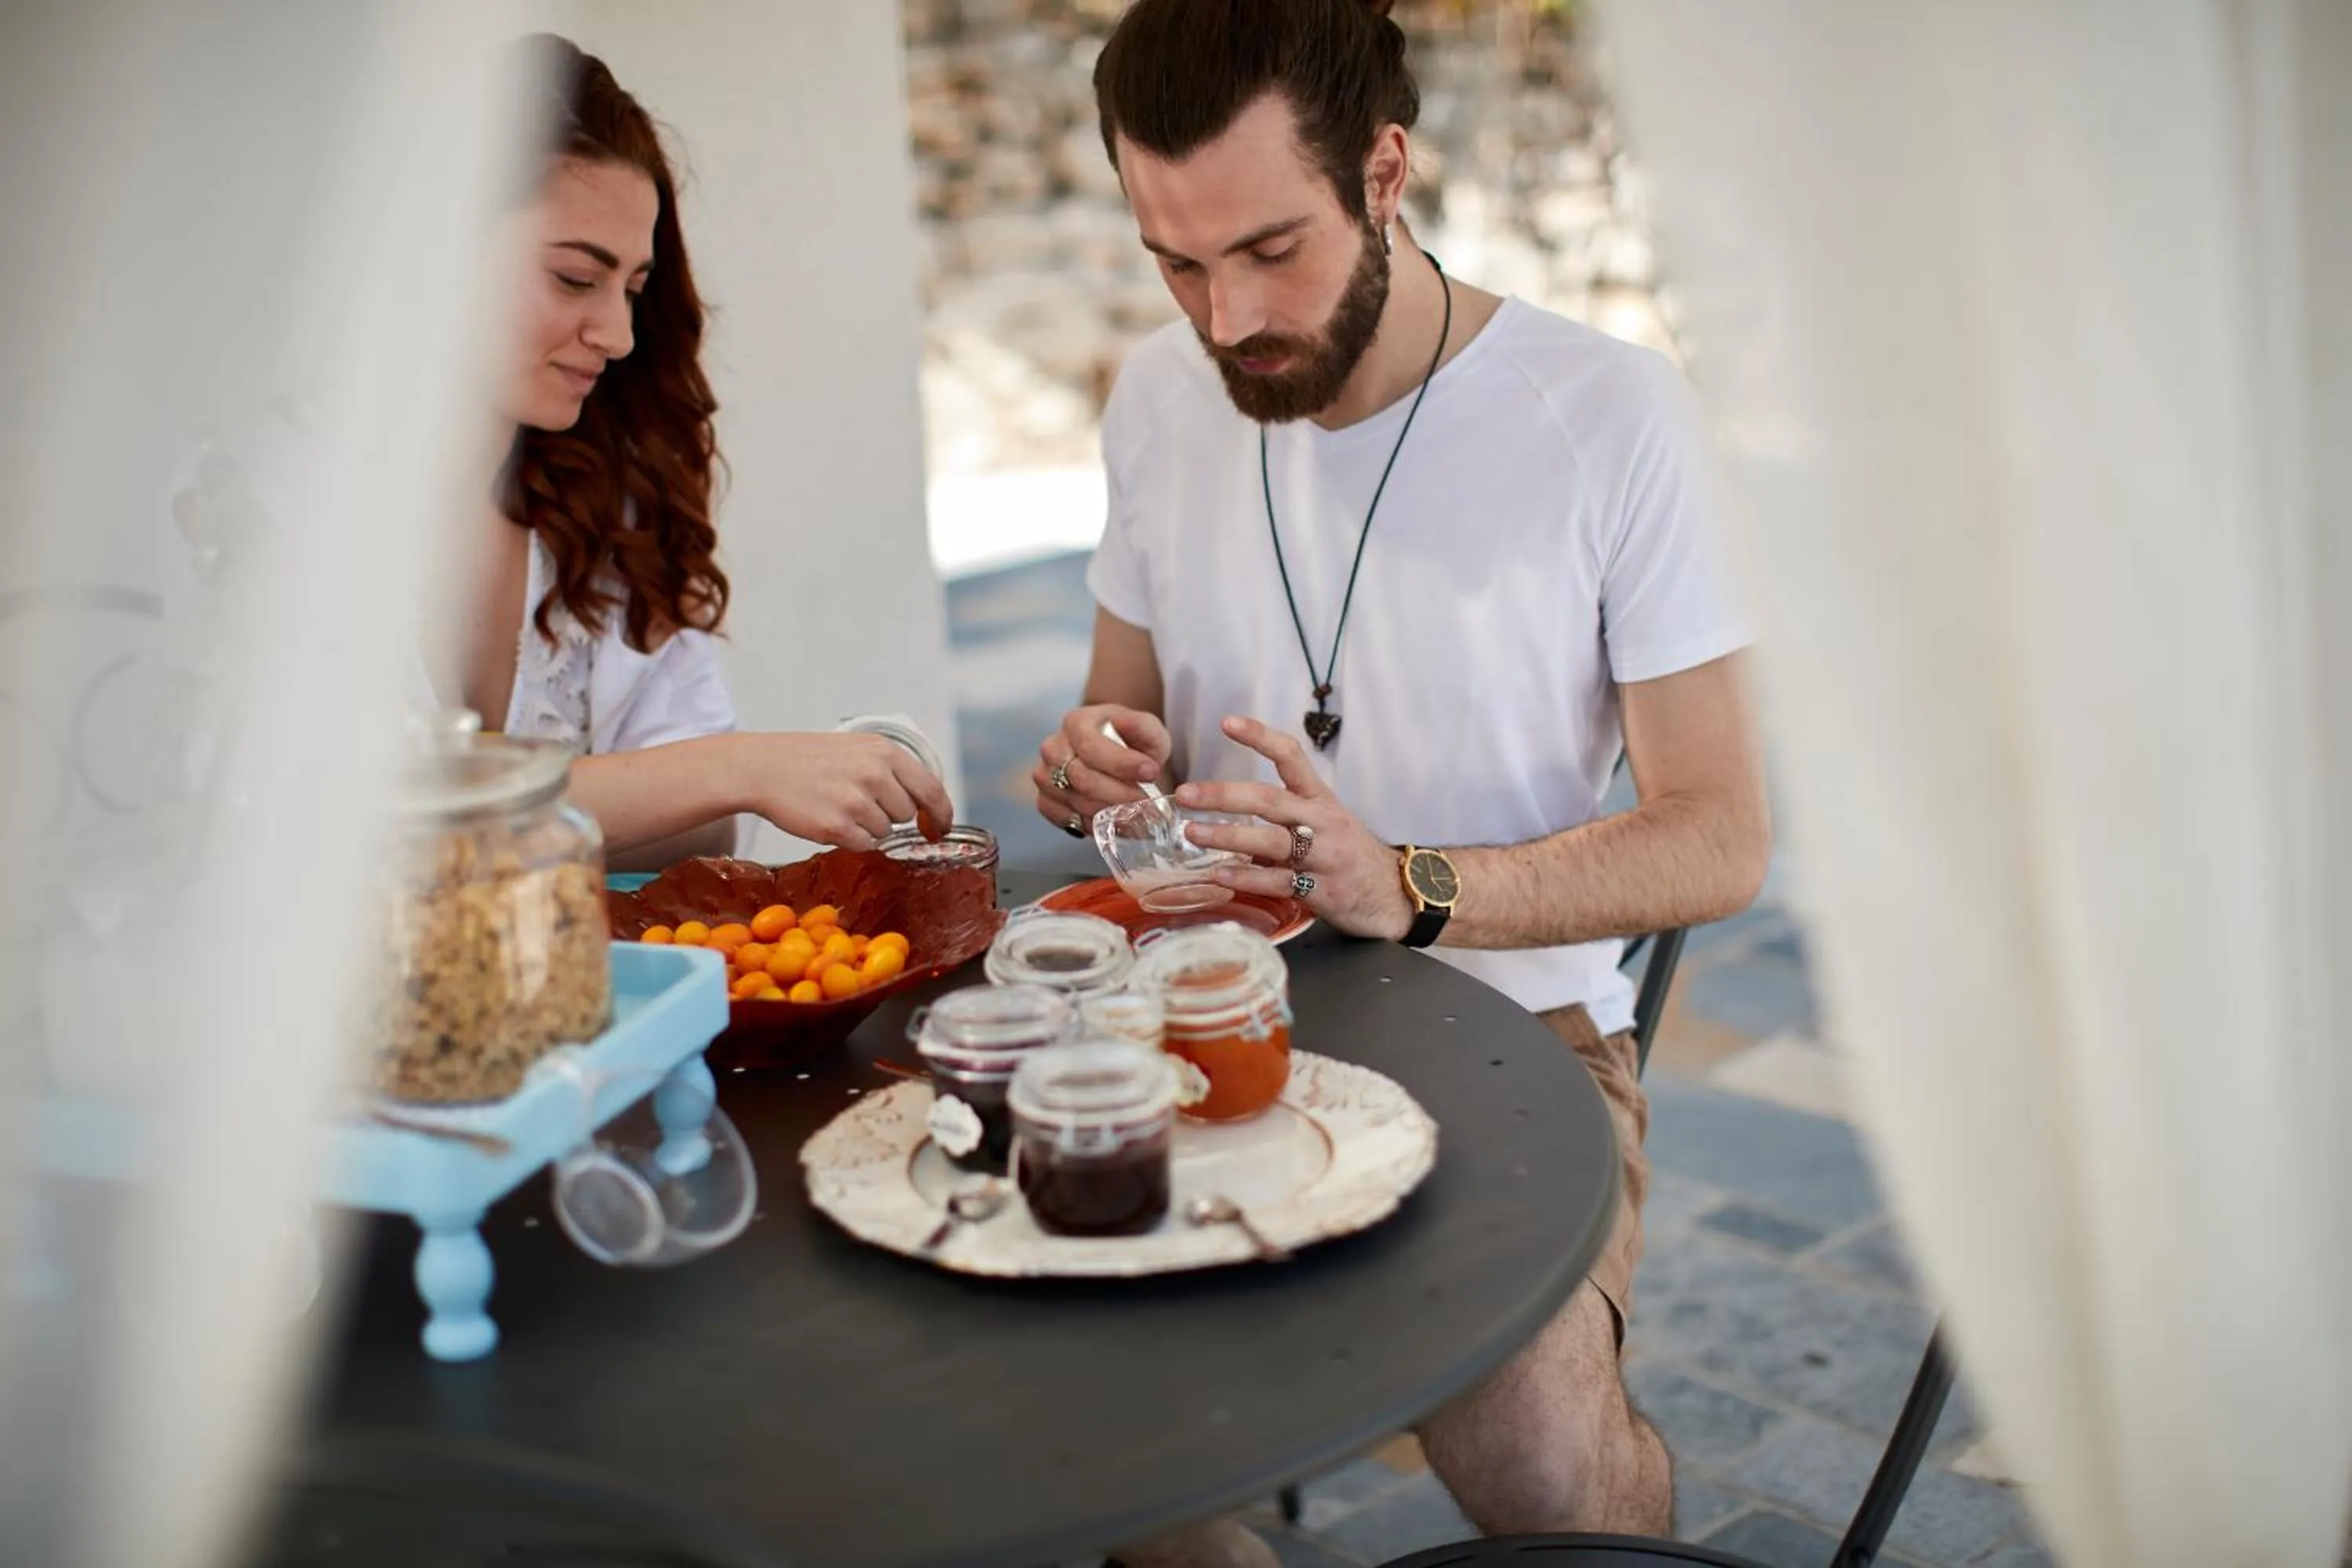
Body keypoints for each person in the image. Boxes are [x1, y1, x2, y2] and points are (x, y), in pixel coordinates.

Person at [1032, 1, 1770, 1556]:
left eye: (1268, 250)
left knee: (1545, 1467)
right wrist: (1099, 760)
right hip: (1201, 1021)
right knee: (1073, 1415)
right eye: (1176, 261)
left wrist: (1412, 883)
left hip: (1522, 1039)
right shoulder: (1158, 397)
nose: (1223, 318)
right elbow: (1121, 714)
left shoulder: (1611, 415)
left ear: (1384, 170)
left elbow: (1719, 837)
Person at [430, 34, 951, 869]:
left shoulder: (606, 514)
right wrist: (733, 766)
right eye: (573, 277)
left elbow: (706, 831)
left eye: (634, 289)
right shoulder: (277, 528)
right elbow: (389, 825)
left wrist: (766, 774)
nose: (618, 333)